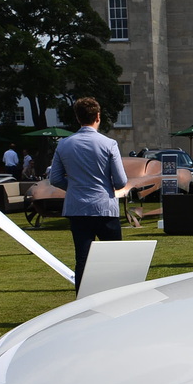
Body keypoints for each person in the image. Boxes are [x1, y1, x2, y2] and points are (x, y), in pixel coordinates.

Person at [48, 96, 127, 290]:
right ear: (98, 116)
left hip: (77, 207)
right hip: (104, 207)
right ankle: (115, 300)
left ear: (77, 118)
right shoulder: (109, 144)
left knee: (82, 259)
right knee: (114, 260)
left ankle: (82, 305)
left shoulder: (64, 144)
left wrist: (75, 187)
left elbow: (55, 178)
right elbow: (120, 181)